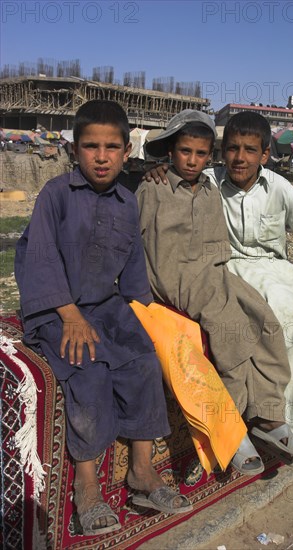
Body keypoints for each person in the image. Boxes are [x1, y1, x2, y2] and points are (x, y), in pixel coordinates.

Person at [14, 100, 192, 536]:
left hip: (105, 305)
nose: (101, 156)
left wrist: (148, 316)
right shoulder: (56, 194)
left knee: (143, 360)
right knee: (88, 370)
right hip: (56, 308)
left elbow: (132, 273)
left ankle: (142, 473)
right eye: (91, 146)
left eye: (112, 147)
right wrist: (70, 314)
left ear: (126, 152)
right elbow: (38, 258)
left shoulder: (128, 202)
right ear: (75, 150)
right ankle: (88, 488)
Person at [148, 111, 293, 453]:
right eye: (232, 149)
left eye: (249, 149)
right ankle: (284, 428)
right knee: (290, 323)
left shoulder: (278, 187)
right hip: (233, 268)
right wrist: (156, 169)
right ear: (222, 151)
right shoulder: (209, 181)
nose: (239, 158)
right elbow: (177, 174)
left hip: (278, 267)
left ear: (264, 154)